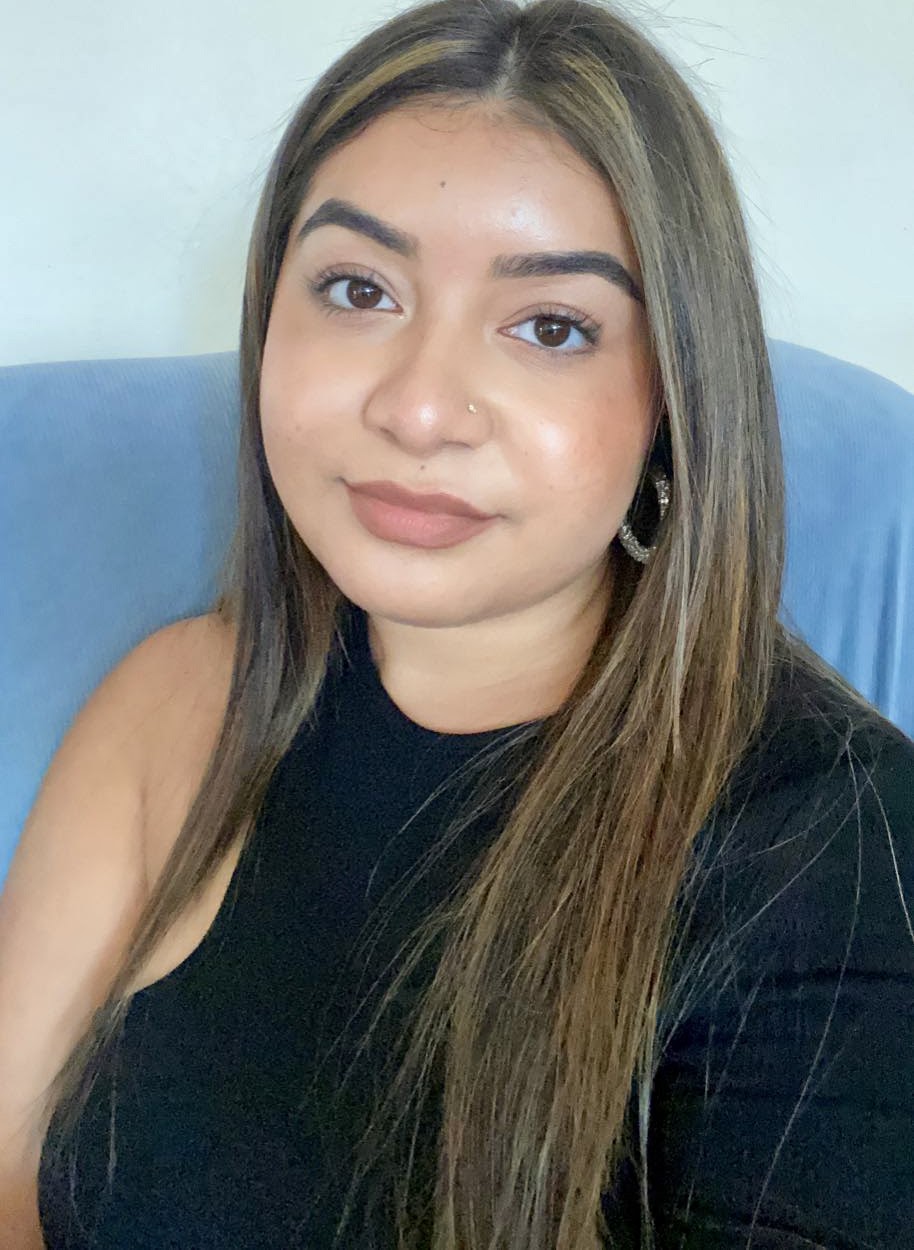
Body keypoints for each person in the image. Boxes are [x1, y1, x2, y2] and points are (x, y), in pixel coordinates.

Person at [1, 0, 912, 1245]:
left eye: (550, 327)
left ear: (672, 398)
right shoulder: (176, 700)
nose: (419, 408)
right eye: (356, 288)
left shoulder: (840, 846)